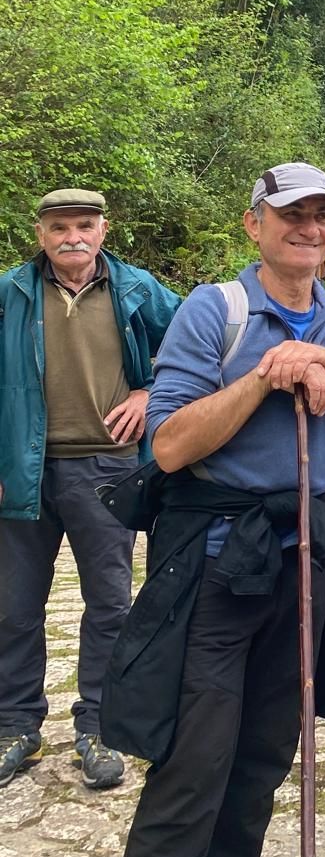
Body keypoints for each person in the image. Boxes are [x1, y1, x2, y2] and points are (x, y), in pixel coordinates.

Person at [96, 162, 325, 857]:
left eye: (322, 214)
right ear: (253, 223)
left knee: (263, 757)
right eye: (291, 213)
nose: (309, 227)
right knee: (193, 768)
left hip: (307, 569)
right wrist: (265, 377)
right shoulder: (214, 311)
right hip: (219, 569)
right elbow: (169, 444)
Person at [0, 189, 180, 794]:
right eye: (59, 227)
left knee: (109, 605)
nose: (72, 236)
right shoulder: (12, 291)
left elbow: (191, 344)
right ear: (41, 232)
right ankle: (16, 727)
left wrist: (147, 392)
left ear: (104, 229)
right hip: (22, 468)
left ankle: (98, 726)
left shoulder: (136, 289)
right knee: (14, 606)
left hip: (106, 467)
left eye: (83, 225)